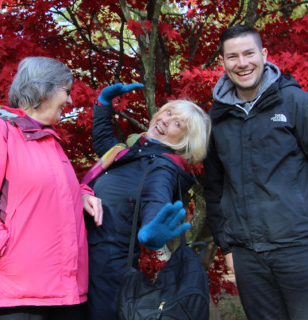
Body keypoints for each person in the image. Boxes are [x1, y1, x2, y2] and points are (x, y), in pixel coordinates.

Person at [202, 25, 308, 320]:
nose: (242, 63)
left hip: (303, 247)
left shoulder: (298, 104)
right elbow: (215, 187)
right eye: (232, 56)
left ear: (264, 55)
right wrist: (228, 246)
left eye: (249, 53)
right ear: (222, 62)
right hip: (248, 255)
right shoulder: (217, 118)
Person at [0, 56, 103, 320]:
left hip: (64, 297)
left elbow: (49, 191)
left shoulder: (50, 142)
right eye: (66, 92)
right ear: (43, 89)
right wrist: (2, 252)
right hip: (11, 300)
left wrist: (81, 194)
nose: (69, 101)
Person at [84, 83, 212, 319]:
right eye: (169, 112)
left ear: (185, 140)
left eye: (177, 124)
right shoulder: (134, 152)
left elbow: (157, 196)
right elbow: (104, 144)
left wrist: (152, 229)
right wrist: (103, 105)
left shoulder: (163, 165)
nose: (166, 120)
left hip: (106, 269)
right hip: (87, 255)